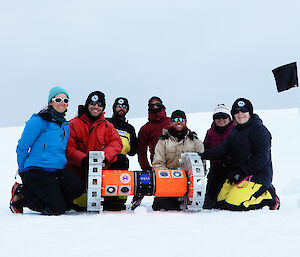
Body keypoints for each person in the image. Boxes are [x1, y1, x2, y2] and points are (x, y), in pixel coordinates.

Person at [10, 87, 85, 215]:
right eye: (58, 99)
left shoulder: (65, 126)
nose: (62, 102)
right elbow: (22, 147)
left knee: (78, 189)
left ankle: (56, 200)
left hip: (56, 171)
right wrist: (22, 170)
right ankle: (21, 194)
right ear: (51, 102)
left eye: (65, 100)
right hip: (37, 170)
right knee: (57, 209)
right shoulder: (39, 121)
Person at [199, 98, 280, 211]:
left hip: (256, 176)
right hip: (239, 175)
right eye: (236, 112)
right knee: (221, 202)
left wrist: (242, 172)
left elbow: (261, 159)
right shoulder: (235, 131)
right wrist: (203, 155)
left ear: (250, 112)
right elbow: (222, 149)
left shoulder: (259, 130)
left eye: (243, 110)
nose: (240, 114)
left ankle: (269, 197)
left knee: (234, 204)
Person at [66, 91, 124, 211]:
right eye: (92, 103)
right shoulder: (73, 124)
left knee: (121, 160)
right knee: (78, 205)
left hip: (100, 167)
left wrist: (104, 156)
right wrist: (84, 159)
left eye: (99, 104)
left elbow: (117, 143)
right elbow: (68, 148)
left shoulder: (108, 126)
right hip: (79, 169)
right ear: (87, 104)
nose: (95, 107)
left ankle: (112, 198)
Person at [152, 110, 205, 211]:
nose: (178, 122)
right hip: (168, 183)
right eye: (175, 119)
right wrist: (170, 179)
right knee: (160, 206)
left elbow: (202, 166)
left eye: (181, 119)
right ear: (171, 122)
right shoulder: (163, 141)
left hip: (189, 184)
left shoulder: (196, 141)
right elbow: (157, 163)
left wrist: (191, 180)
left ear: (185, 122)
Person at [133, 96, 171, 209]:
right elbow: (141, 151)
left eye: (157, 105)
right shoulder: (146, 128)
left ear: (162, 106)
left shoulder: (171, 121)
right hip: (158, 165)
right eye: (152, 105)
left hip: (175, 163)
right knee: (159, 205)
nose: (155, 107)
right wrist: (146, 167)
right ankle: (137, 200)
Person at [202, 104, 235, 209]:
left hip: (232, 170)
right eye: (217, 117)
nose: (221, 119)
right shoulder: (210, 133)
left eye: (224, 116)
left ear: (229, 118)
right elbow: (205, 149)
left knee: (228, 203)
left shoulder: (236, 130)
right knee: (209, 204)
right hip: (216, 170)